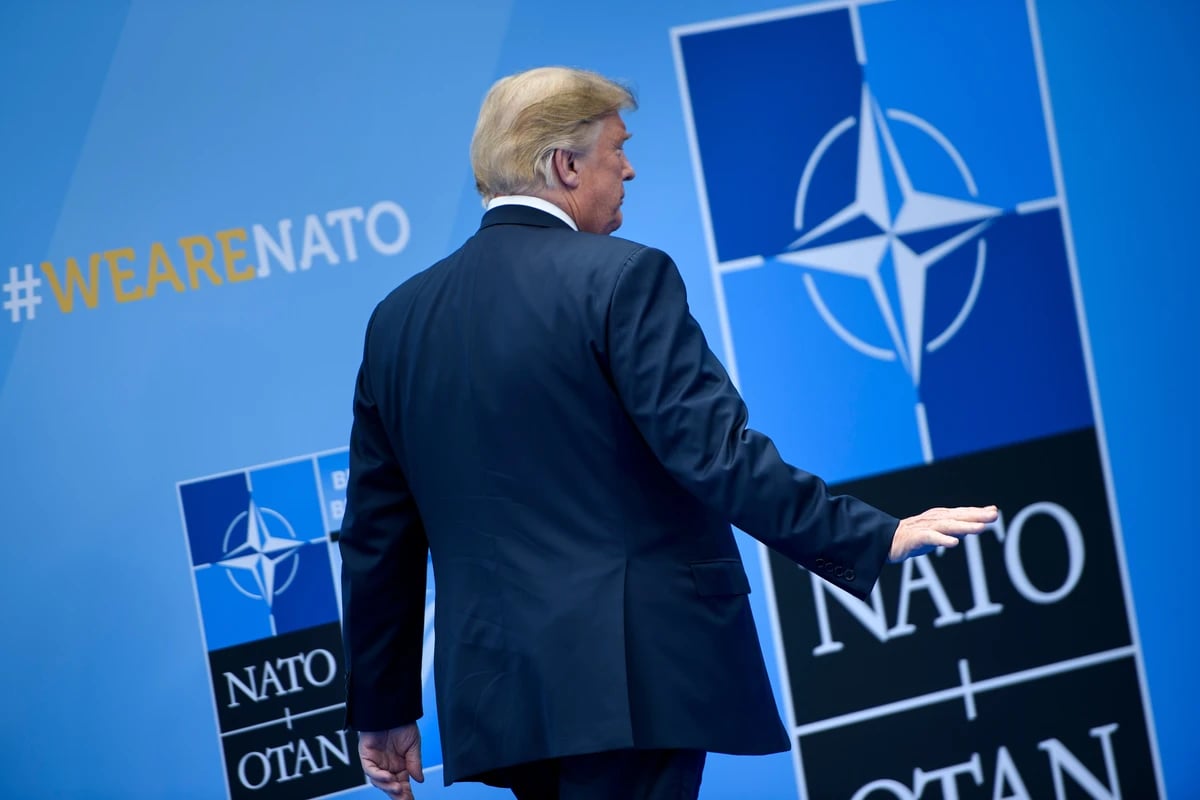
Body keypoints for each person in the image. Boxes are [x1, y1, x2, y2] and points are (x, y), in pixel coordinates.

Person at [338, 66, 997, 800]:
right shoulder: (623, 278)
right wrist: (871, 536)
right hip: (629, 683)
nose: (628, 168)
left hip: (499, 699)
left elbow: (377, 536)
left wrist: (383, 707)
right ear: (564, 166)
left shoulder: (397, 322)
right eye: (616, 149)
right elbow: (715, 454)